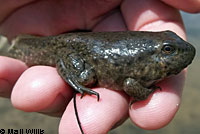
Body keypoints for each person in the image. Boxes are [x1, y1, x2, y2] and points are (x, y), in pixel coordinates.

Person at [0, 0, 199, 133]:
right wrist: (145, 94)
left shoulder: (148, 60)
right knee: (85, 77)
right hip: (74, 48)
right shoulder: (146, 66)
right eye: (167, 50)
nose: (172, 53)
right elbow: (130, 83)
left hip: (84, 42)